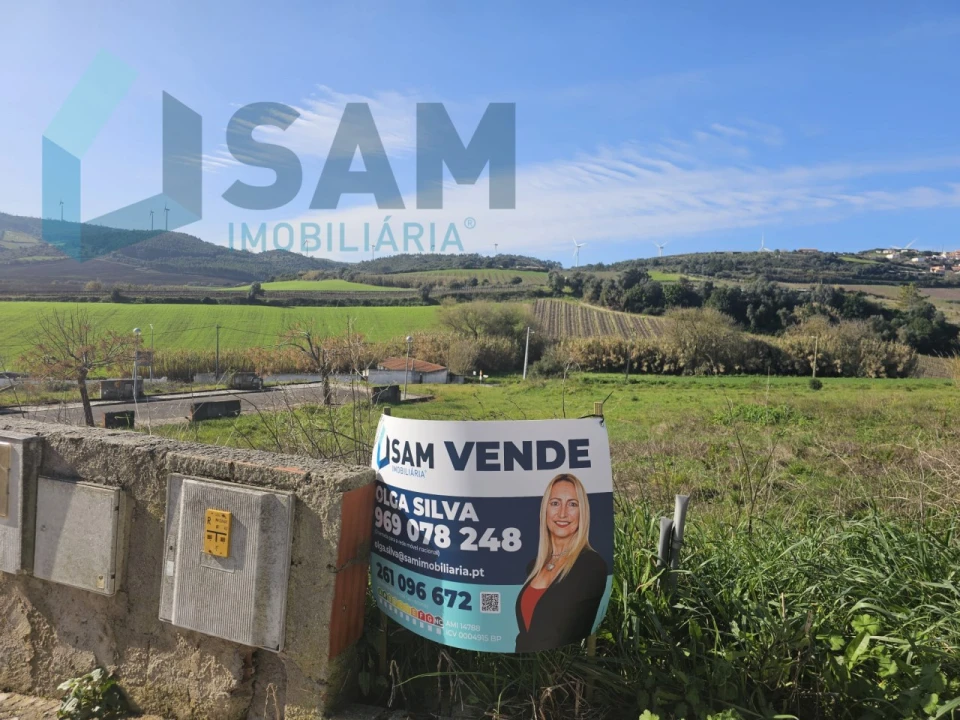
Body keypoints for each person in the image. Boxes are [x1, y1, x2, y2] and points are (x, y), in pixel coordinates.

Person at [514, 473, 608, 652]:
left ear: (583, 512)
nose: (563, 513)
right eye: (555, 503)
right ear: (545, 509)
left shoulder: (591, 566)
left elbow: (566, 635)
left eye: (572, 504)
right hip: (524, 669)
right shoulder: (534, 567)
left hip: (561, 673)